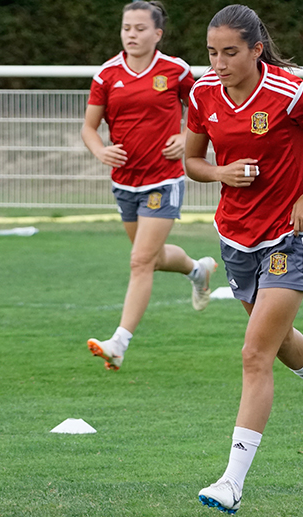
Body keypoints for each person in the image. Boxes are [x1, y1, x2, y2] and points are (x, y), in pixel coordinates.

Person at [185, 4, 303, 513]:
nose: (218, 63)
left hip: (289, 236)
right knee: (278, 340)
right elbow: (193, 162)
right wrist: (220, 174)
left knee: (254, 354)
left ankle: (231, 482)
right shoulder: (203, 94)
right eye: (211, 53)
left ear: (256, 49)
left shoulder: (288, 93)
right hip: (235, 237)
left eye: (230, 53)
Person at [81, 1, 217, 371]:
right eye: (127, 28)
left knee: (140, 261)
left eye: (140, 28)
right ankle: (197, 270)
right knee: (152, 259)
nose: (132, 34)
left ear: (157, 34)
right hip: (125, 182)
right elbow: (89, 128)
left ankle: (118, 342)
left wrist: (186, 135)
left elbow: (207, 108)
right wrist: (101, 151)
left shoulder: (176, 70)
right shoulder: (107, 75)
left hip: (164, 179)